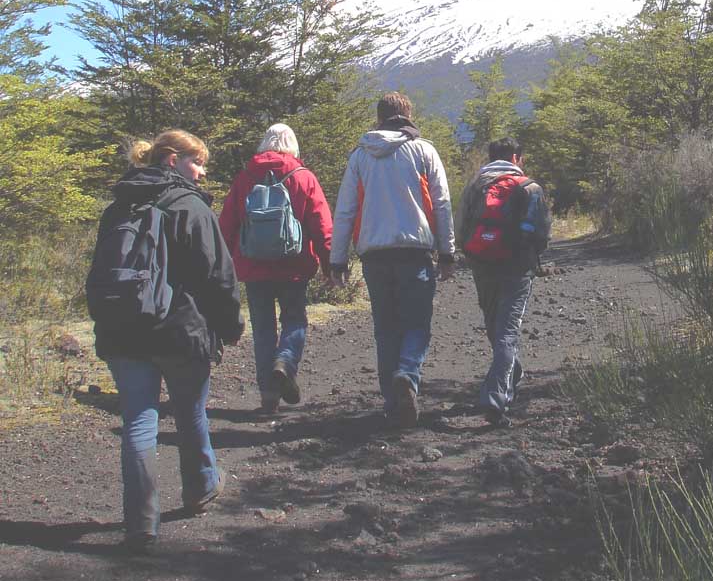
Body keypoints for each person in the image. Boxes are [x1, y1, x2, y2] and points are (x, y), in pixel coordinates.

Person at [90, 130, 243, 554]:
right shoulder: (190, 206)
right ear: (173, 159)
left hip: (123, 329)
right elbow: (219, 275)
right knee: (190, 413)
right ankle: (200, 487)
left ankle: (140, 521)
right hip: (180, 330)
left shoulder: (119, 204)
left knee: (139, 420)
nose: (203, 170)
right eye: (198, 161)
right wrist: (230, 325)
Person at [330, 92, 456, 428]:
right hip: (415, 253)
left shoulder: (360, 156)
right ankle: (408, 374)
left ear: (379, 118)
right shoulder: (424, 151)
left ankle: (392, 402)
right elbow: (442, 204)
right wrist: (447, 253)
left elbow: (345, 211)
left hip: (374, 257)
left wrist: (337, 261)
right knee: (417, 324)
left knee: (385, 329)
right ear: (409, 116)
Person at [220, 123, 333, 412]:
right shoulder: (304, 177)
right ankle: (286, 360)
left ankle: (268, 397)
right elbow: (321, 225)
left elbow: (227, 224)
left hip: (253, 265)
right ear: (292, 145)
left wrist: (223, 263)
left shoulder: (245, 176)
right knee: (294, 319)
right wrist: (331, 263)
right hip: (294, 266)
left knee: (262, 328)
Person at [457, 137, 551, 428]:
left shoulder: (476, 185)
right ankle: (497, 398)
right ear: (516, 158)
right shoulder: (530, 187)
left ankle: (510, 375)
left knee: (494, 325)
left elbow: (461, 227)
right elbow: (543, 233)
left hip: (482, 264)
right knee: (507, 330)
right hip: (516, 267)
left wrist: (468, 253)